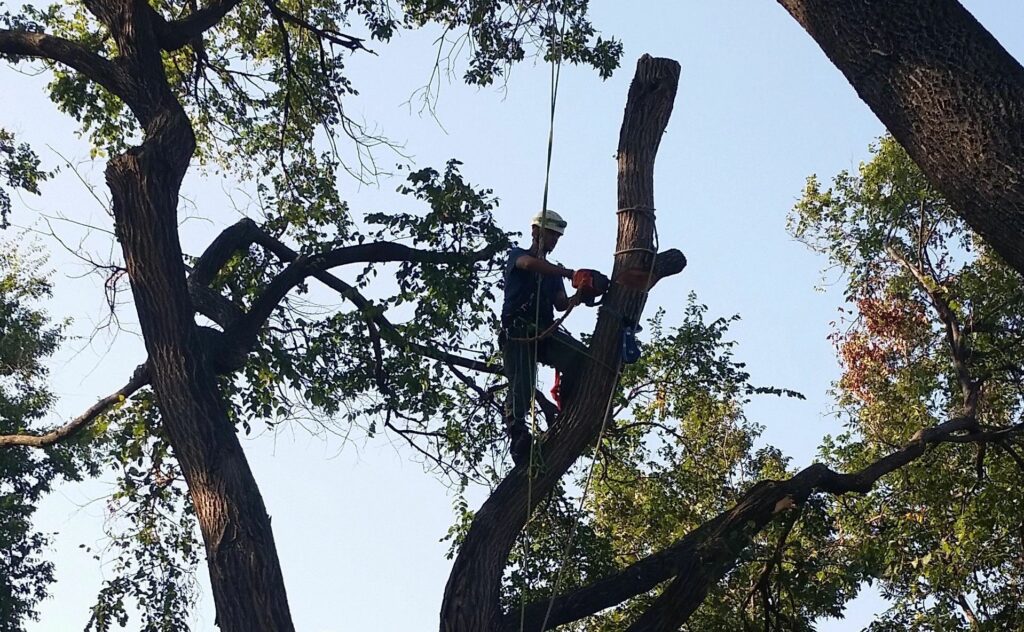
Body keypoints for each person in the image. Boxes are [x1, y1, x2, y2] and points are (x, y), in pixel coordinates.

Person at [499, 209, 600, 465]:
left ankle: (569, 401)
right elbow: (529, 265)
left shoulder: (553, 273)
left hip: (544, 331)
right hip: (518, 331)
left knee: (580, 356)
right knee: (522, 382)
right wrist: (567, 273)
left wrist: (582, 295)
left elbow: (561, 304)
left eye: (557, 237)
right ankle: (518, 433)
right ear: (536, 232)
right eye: (551, 235)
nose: (554, 241)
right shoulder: (518, 255)